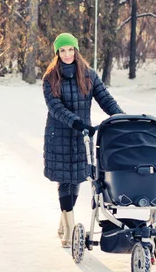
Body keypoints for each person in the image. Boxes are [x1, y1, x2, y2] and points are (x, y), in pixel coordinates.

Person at [42, 32, 123, 248]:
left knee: (77, 178)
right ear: (57, 53)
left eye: (70, 49)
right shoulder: (50, 78)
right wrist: (77, 122)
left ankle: (64, 218)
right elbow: (55, 107)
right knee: (64, 180)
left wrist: (121, 117)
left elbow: (105, 99)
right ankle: (69, 228)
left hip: (82, 136)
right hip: (58, 135)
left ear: (76, 50)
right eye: (62, 50)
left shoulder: (89, 75)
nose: (67, 54)